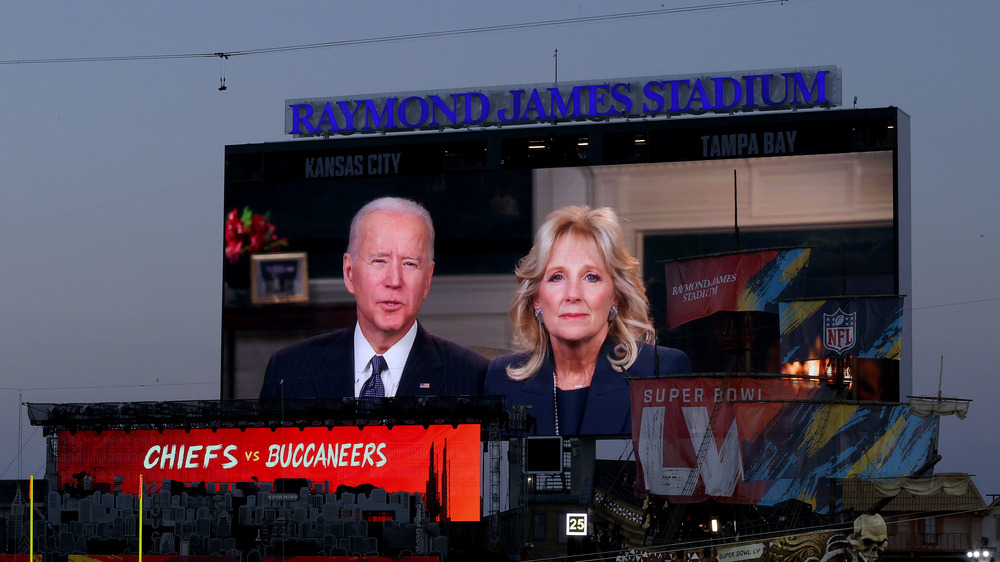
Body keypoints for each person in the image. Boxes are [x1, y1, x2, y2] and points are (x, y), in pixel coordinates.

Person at [485, 206, 690, 435]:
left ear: (615, 296)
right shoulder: (501, 379)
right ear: (536, 298)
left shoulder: (660, 372)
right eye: (557, 277)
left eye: (591, 277)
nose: (573, 294)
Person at [259, 197, 487, 400]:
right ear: (349, 273)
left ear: (427, 280)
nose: (394, 280)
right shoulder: (288, 371)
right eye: (379, 261)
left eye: (410, 263)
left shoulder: (473, 378)